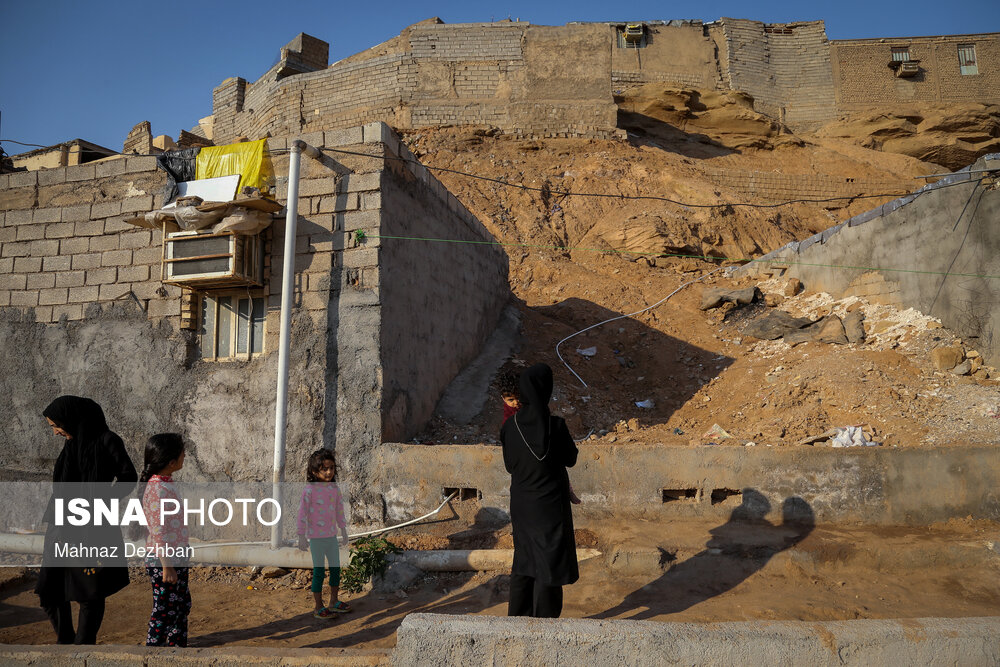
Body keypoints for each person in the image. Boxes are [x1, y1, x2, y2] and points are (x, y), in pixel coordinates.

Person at [38, 396, 137, 644]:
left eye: (56, 425)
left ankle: (82, 646)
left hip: (93, 527)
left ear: (72, 419)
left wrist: (101, 501)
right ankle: (65, 639)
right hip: (61, 525)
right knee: (51, 589)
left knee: (90, 589)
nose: (55, 432)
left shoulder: (107, 440)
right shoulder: (72, 443)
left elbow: (128, 477)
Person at [500, 363, 579, 618]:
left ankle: (518, 618)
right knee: (549, 561)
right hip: (550, 506)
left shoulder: (509, 427)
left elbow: (510, 466)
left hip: (522, 504)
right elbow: (570, 459)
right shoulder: (556, 426)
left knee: (524, 558)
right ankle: (544, 622)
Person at [140, 433, 192, 647]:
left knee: (180, 605)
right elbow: (158, 531)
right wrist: (167, 566)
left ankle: (176, 647)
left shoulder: (165, 483)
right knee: (164, 609)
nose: (185, 455)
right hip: (165, 561)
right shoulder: (157, 490)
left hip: (176, 557)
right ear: (171, 462)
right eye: (182, 453)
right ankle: (153, 652)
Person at [500, 370, 581, 505]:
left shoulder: (532, 409)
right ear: (503, 399)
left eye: (518, 397)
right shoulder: (511, 418)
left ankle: (569, 488)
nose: (515, 402)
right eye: (510, 400)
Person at [297, 449, 351, 619]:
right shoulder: (309, 490)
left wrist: (343, 530)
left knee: (335, 570)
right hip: (316, 539)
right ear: (314, 472)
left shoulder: (334, 489)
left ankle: (334, 601)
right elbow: (302, 513)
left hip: (331, 537)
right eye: (324, 469)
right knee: (319, 572)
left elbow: (339, 511)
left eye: (332, 468)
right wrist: (301, 535)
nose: (329, 472)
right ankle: (318, 606)